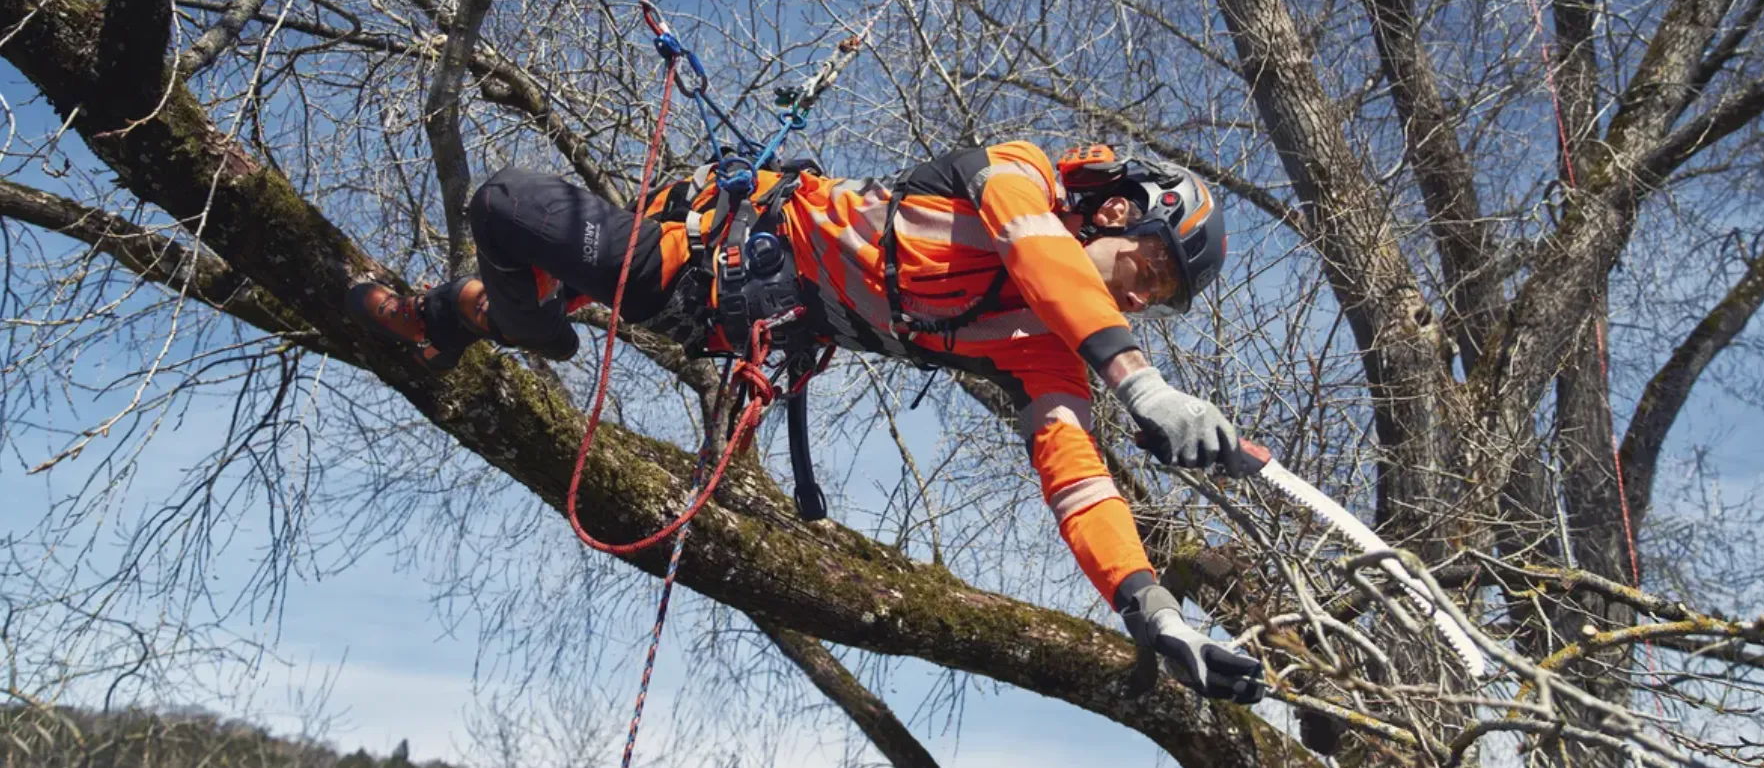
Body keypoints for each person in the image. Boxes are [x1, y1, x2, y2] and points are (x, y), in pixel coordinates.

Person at [348, 141, 1265, 703]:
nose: (1145, 297)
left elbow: (1077, 476)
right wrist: (1139, 381)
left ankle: (510, 318)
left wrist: (1148, 605)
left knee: (511, 214)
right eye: (1154, 269)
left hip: (720, 310)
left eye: (1161, 299)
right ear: (1119, 209)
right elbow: (1036, 248)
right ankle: (461, 321)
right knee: (509, 206)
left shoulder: (1045, 349)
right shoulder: (1017, 177)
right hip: (706, 258)